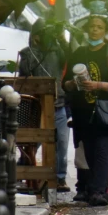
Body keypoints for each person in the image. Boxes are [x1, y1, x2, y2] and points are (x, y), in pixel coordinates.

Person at [63, 15, 108, 206]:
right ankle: (96, 188)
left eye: (99, 27)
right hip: (82, 110)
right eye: (92, 27)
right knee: (90, 151)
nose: (95, 30)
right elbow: (65, 84)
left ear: (106, 31)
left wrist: (98, 85)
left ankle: (98, 190)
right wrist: (72, 83)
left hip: (105, 110)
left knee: (103, 149)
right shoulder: (78, 53)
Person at [18, 19, 70, 192]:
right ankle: (24, 169)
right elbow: (24, 73)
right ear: (37, 37)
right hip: (37, 106)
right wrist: (35, 46)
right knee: (35, 142)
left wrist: (60, 37)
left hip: (58, 104)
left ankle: (60, 177)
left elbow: (69, 56)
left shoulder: (57, 51)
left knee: (61, 142)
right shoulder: (28, 54)